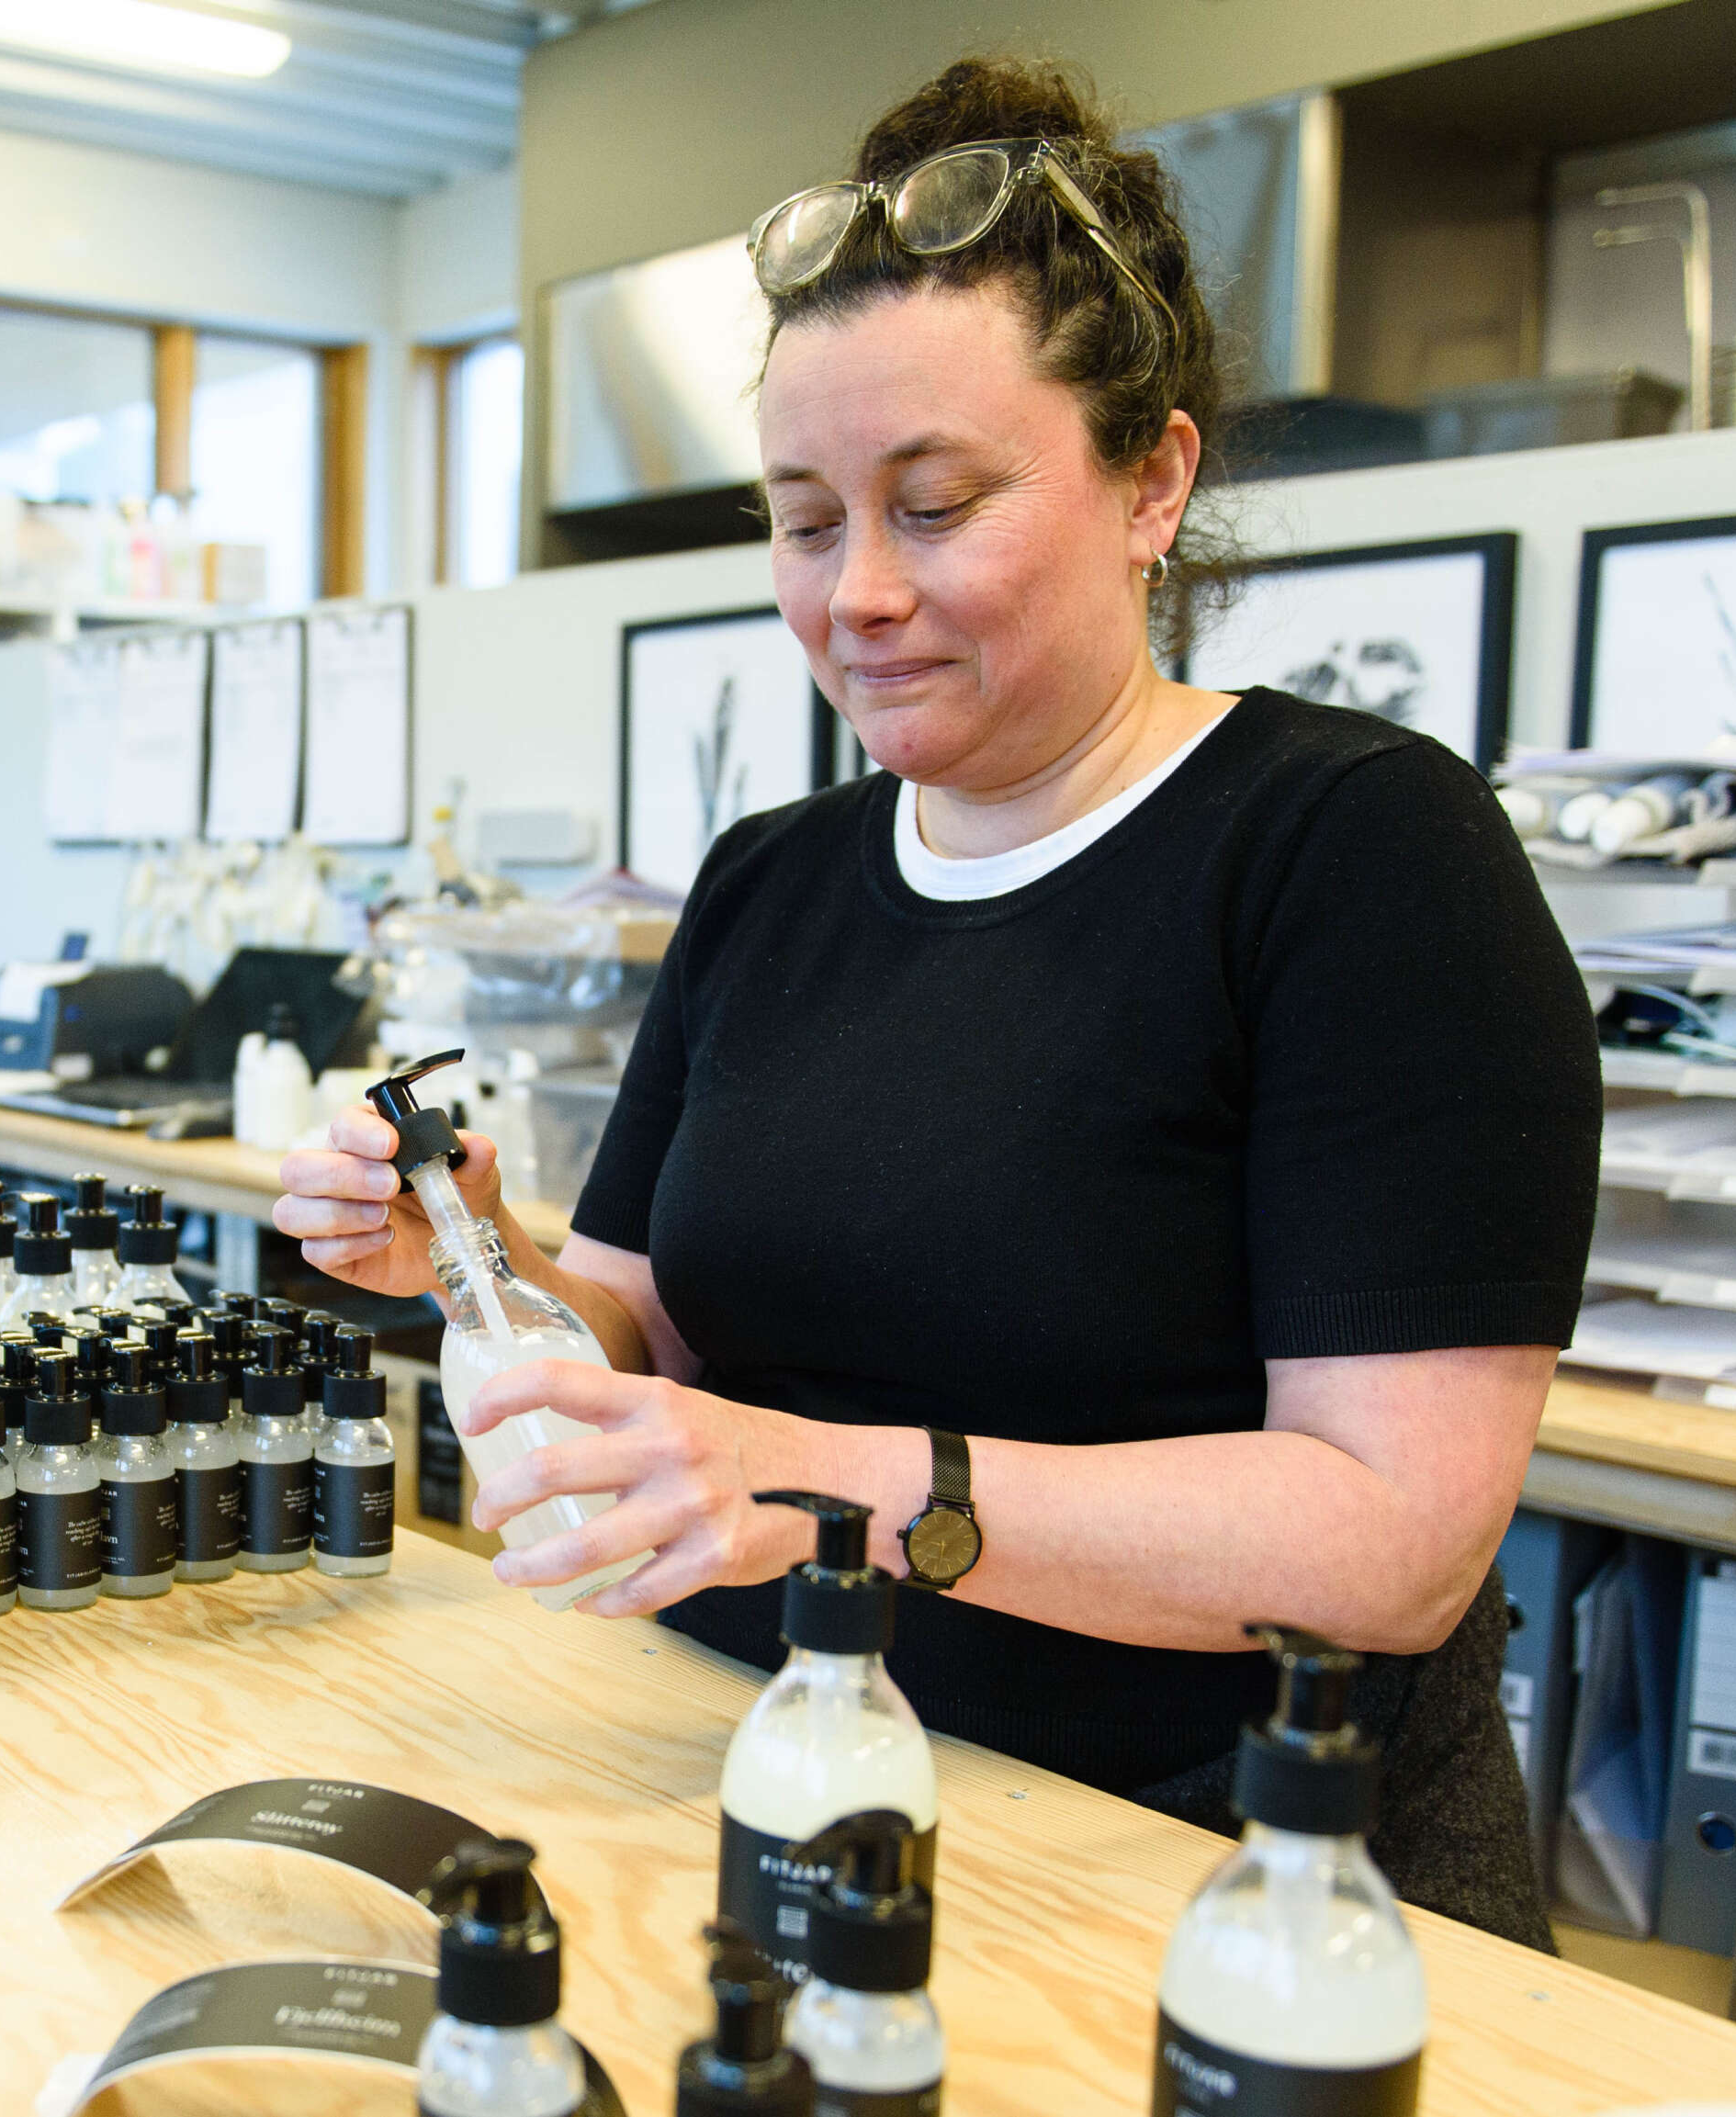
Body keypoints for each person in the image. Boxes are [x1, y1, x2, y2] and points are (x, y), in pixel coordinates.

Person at [274, 56, 1595, 1946]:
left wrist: (812, 1481)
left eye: (937, 504)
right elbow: (642, 1329)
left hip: (1201, 1879)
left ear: (1152, 480)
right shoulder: (770, 880)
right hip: (754, 1778)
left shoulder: (1352, 851)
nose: (859, 595)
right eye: (807, 521)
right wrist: (479, 1261)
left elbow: (1387, 1541)